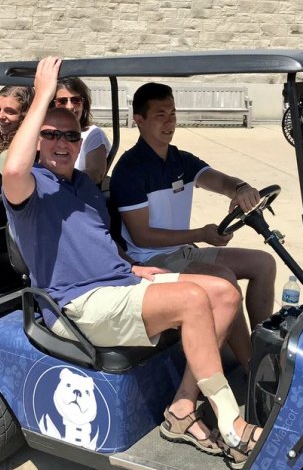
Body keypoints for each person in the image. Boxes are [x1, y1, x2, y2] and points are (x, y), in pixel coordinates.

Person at [1, 57, 261, 468]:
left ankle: (181, 408)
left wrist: (131, 266)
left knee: (224, 293)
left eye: (70, 135)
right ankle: (231, 422)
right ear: (35, 140)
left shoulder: (83, 186)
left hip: (117, 283)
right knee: (194, 297)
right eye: (50, 135)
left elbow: (102, 241)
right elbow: (13, 167)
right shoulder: (31, 189)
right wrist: (43, 96)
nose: (62, 143)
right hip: (75, 304)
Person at [110, 82, 278, 367]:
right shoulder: (129, 170)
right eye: (160, 115)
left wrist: (241, 189)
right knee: (224, 279)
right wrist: (201, 234)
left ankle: (264, 351)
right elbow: (142, 236)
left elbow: (221, 181)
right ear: (139, 120)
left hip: (183, 251)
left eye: (173, 114)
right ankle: (254, 369)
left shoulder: (180, 160)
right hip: (151, 258)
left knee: (264, 262)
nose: (170, 122)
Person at [52, 77, 112, 184]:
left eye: (76, 100)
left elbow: (95, 174)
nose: (70, 106)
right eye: (62, 101)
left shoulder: (93, 134)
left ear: (84, 104)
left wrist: (57, 183)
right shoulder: (47, 133)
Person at [0, 85, 34, 171]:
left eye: (10, 112)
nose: (0, 116)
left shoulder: (17, 154)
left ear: (25, 115)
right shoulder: (6, 143)